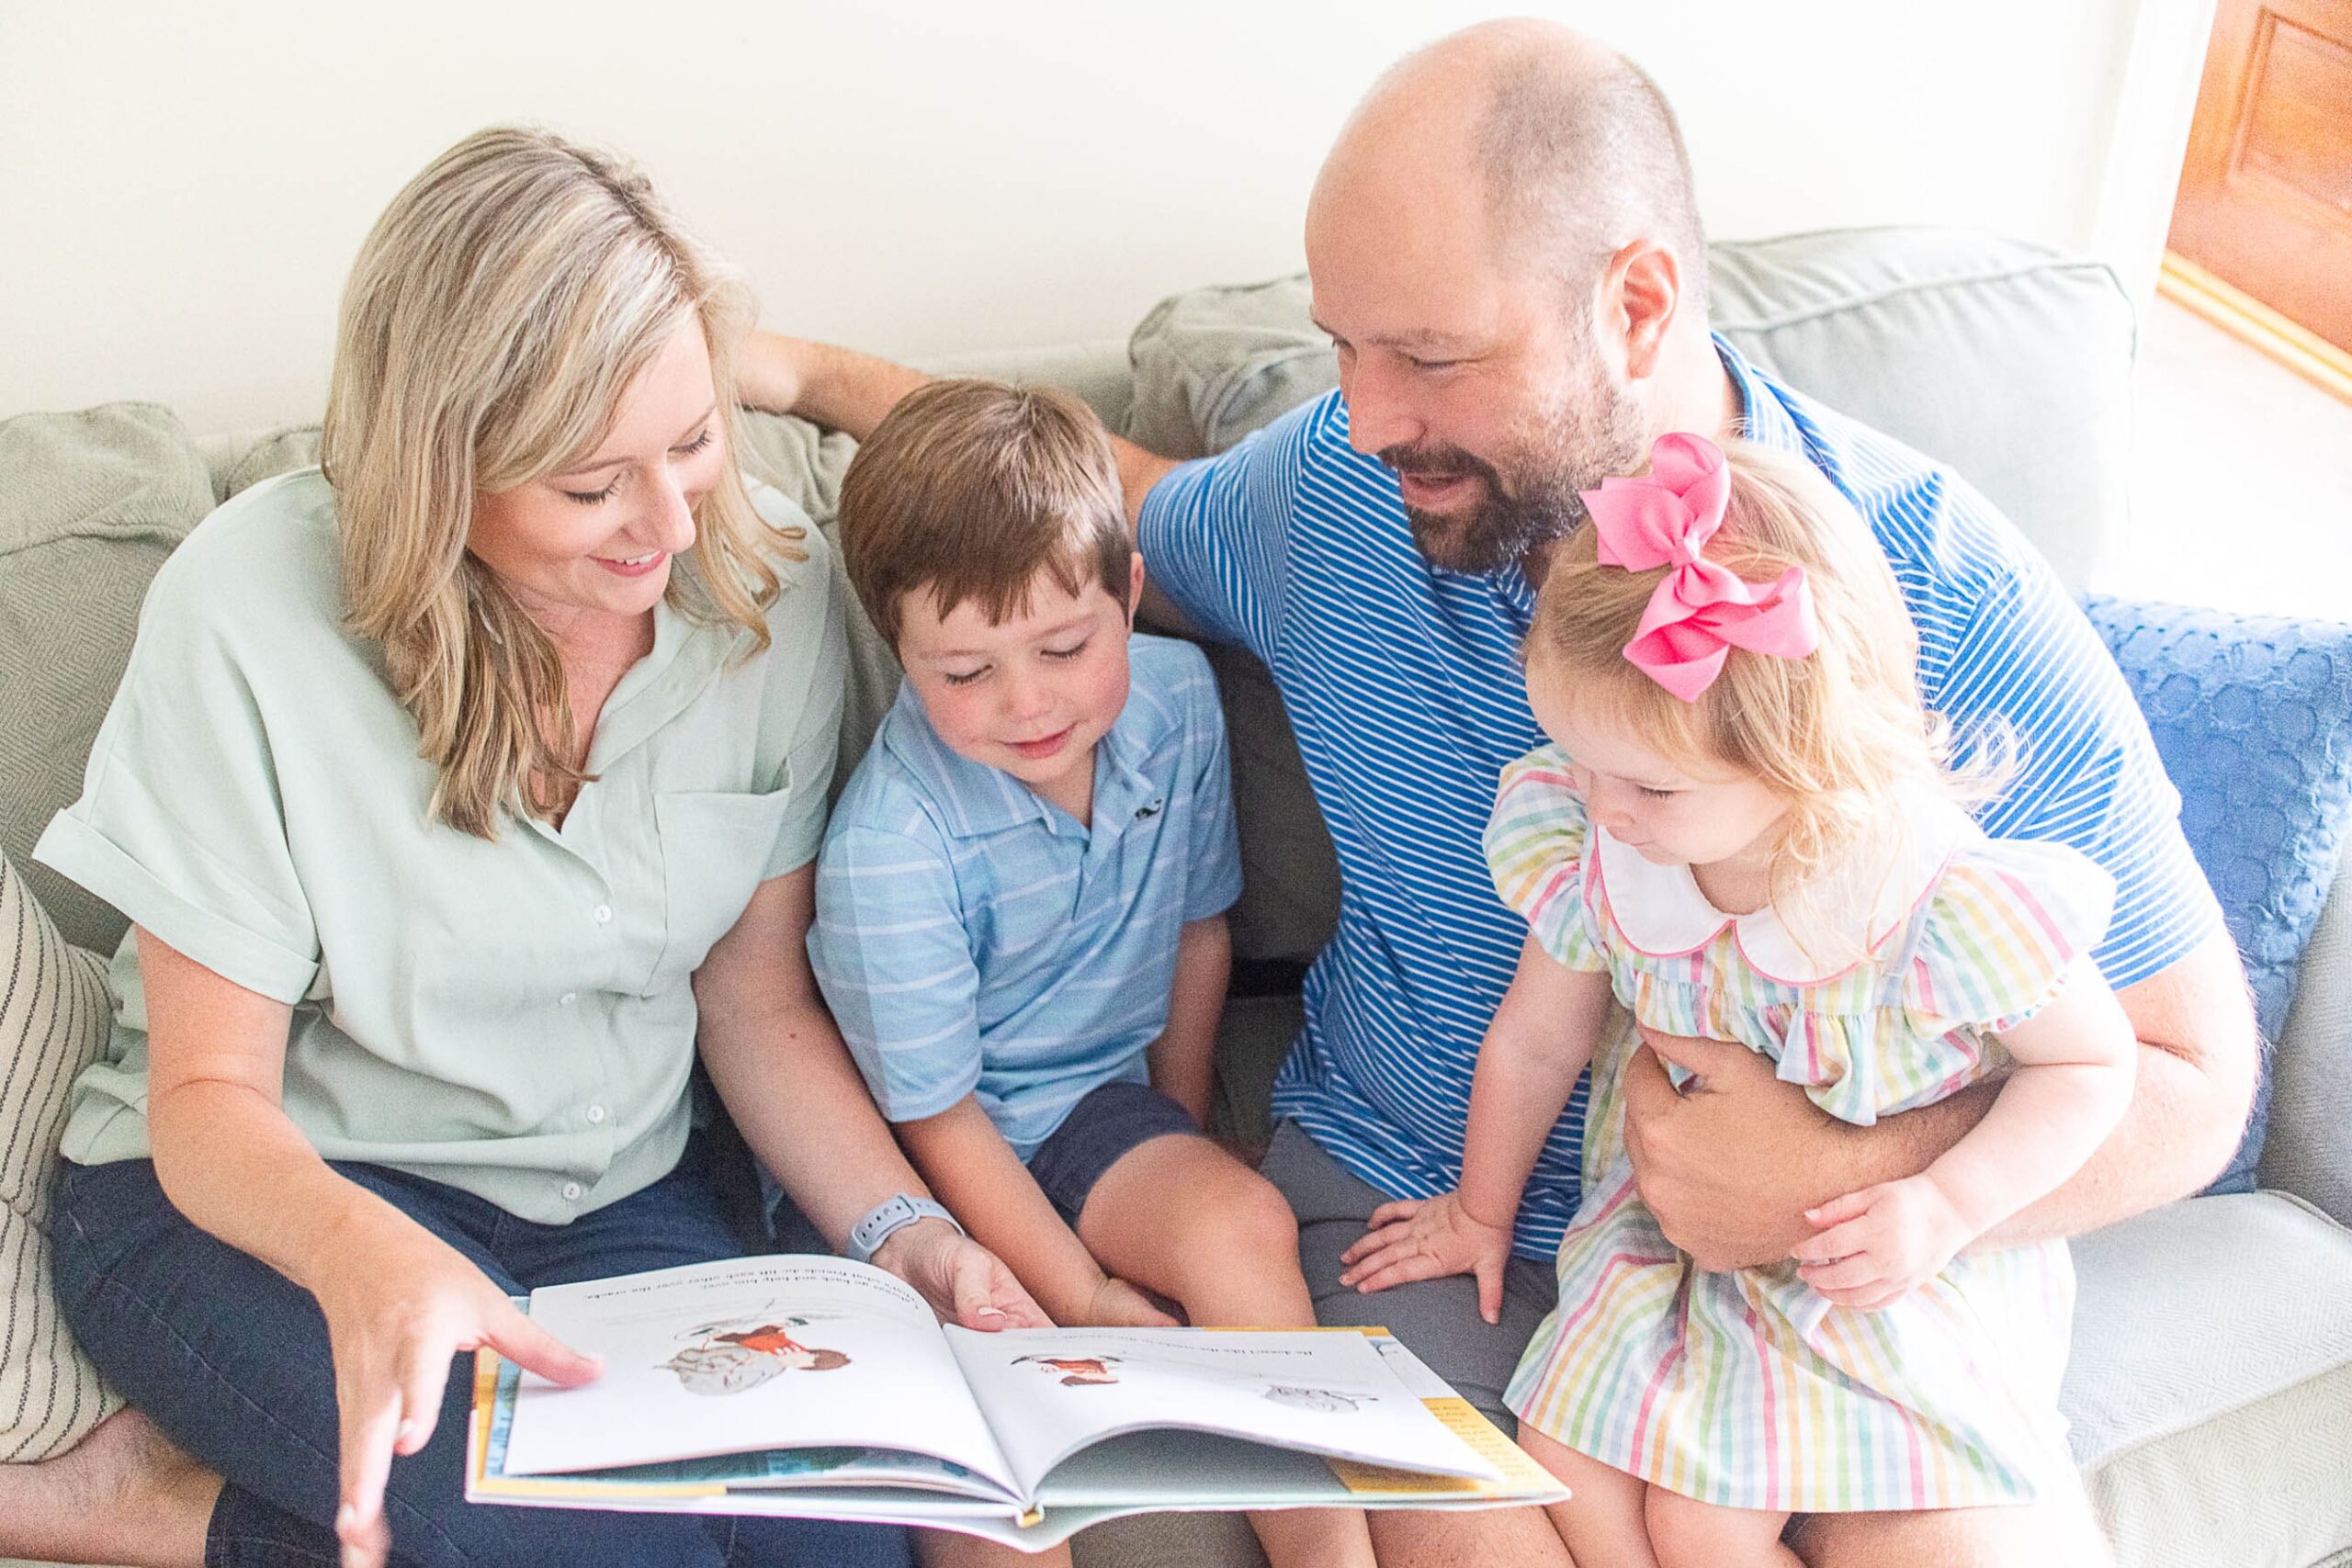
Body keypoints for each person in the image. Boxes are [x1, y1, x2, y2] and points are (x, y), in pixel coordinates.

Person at [740, 21, 2258, 1565]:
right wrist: (803, 373)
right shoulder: (1341, 491)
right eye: (1343, 348)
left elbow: (2194, 1076)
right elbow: (1084, 506)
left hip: (1847, 1296)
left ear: (1636, 303)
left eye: (1430, 356)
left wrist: (1841, 1182)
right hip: (1420, 1212)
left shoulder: (1920, 585)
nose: (1367, 412)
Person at [26, 127, 1045, 1568]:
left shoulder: (767, 585)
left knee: (839, 1542)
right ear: (442, 466)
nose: (671, 523)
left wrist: (902, 1231)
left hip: (615, 1200)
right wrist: (362, 1255)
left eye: (694, 442)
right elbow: (205, 1096)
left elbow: (753, 999)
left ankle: (188, 1497)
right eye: (591, 484)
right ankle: (151, 1500)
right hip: (273, 1197)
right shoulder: (246, 608)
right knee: (605, 1546)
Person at [1345, 433, 2138, 1565]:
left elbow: (2093, 1066)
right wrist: (1479, 1212)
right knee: (1566, 1463)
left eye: (1647, 785)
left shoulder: (1926, 899)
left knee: (1702, 1526)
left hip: (1877, 1265)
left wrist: (1946, 1205)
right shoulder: (1606, 844)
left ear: (1799, 759)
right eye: (1578, 761)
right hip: (1676, 1243)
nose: (1601, 809)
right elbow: (1535, 1040)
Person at [809, 378, 1374, 1568]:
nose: (1027, 703)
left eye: (1065, 647)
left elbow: (1197, 934)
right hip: (929, 1161)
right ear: (898, 650)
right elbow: (935, 1114)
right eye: (964, 671)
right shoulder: (891, 841)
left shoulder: (1177, 705)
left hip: (1091, 1114)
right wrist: (1079, 1292)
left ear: (1128, 594)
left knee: (1237, 1221)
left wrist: (1177, 1134)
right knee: (987, 1473)